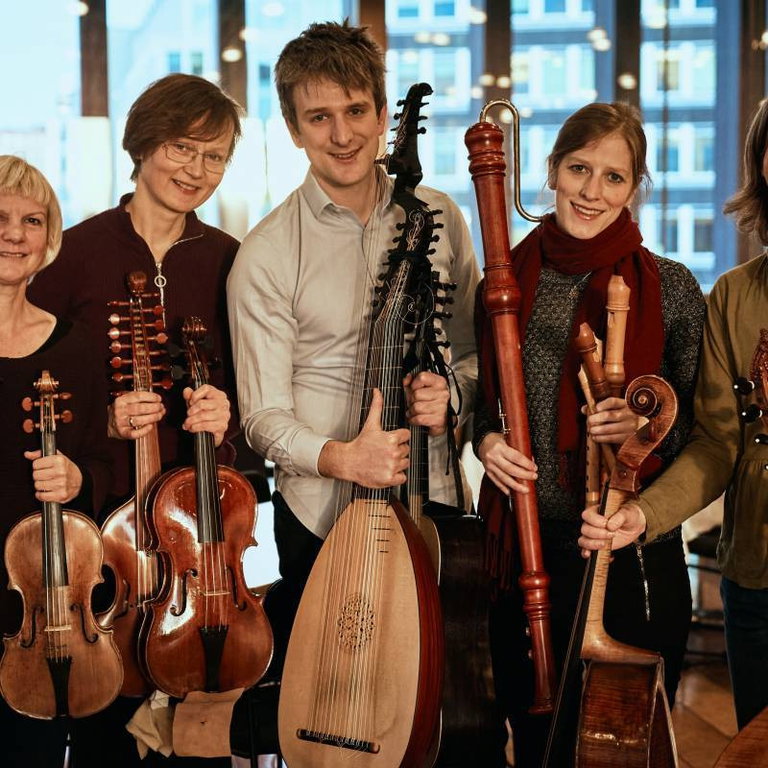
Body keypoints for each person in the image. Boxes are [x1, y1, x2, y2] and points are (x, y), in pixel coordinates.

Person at [226, 18, 482, 755]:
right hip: (319, 517)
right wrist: (343, 457)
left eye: (356, 110)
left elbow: (471, 356)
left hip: (434, 506)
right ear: (293, 129)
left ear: (379, 112)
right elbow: (262, 416)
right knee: (334, 727)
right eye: (319, 117)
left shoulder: (441, 218)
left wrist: (452, 397)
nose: (342, 135)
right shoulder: (268, 252)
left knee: (440, 718)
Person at [472, 102, 706, 766]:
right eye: (579, 168)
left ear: (634, 189)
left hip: (629, 549)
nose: (591, 191)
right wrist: (485, 443)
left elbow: (701, 432)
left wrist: (643, 429)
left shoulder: (672, 288)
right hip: (525, 549)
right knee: (533, 739)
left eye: (614, 176)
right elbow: (486, 408)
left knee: (621, 748)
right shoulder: (503, 279)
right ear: (551, 170)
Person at [28, 73, 243, 768]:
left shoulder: (228, 260)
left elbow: (252, 393)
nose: (197, 170)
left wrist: (226, 414)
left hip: (199, 534)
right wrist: (105, 423)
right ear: (144, 144)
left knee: (201, 726)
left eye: (215, 156)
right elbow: (36, 392)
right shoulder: (73, 255)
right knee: (105, 722)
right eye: (183, 148)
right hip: (100, 521)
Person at [579, 97, 768, 733]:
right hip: (756, 577)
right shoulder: (735, 294)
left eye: (614, 175)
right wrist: (644, 513)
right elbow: (716, 442)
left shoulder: (682, 287)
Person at [0, 155, 112, 767]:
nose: (14, 234)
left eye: (32, 220)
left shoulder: (75, 345)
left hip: (38, 604)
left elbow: (102, 462)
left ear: (49, 239)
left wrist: (77, 478)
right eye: (0, 218)